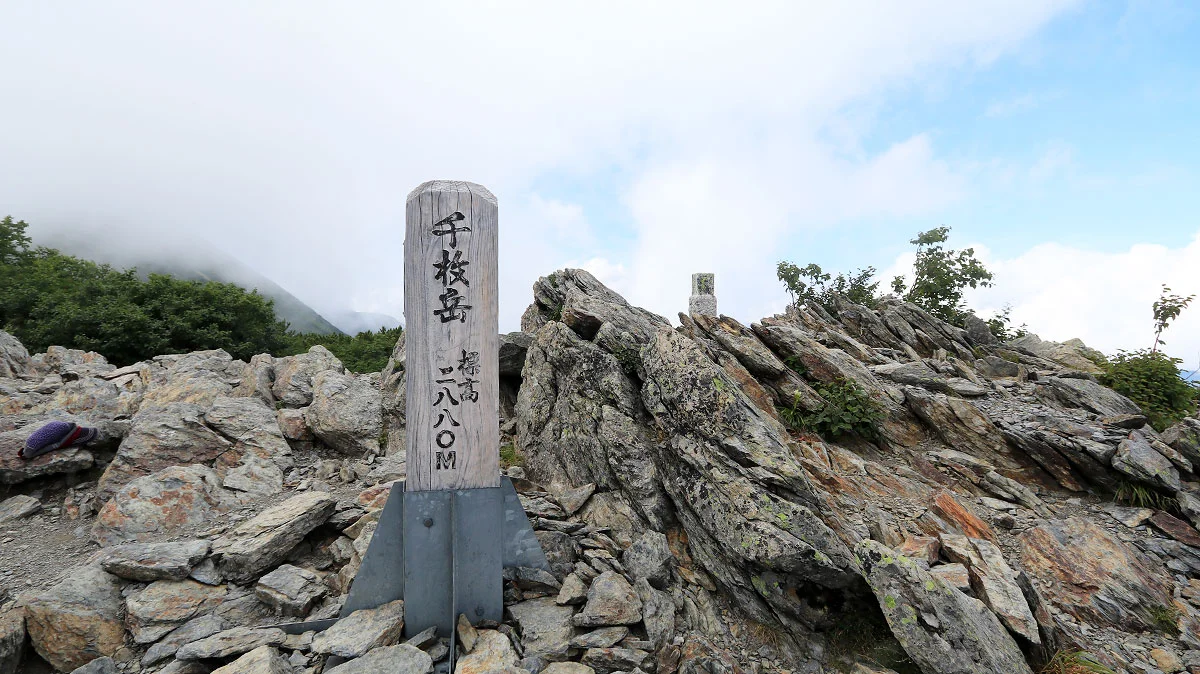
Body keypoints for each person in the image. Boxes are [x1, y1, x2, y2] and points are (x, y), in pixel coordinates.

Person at [19, 420, 98, 459]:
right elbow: (54, 445)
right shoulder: (31, 447)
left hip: (65, 429)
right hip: (66, 429)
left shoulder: (30, 445)